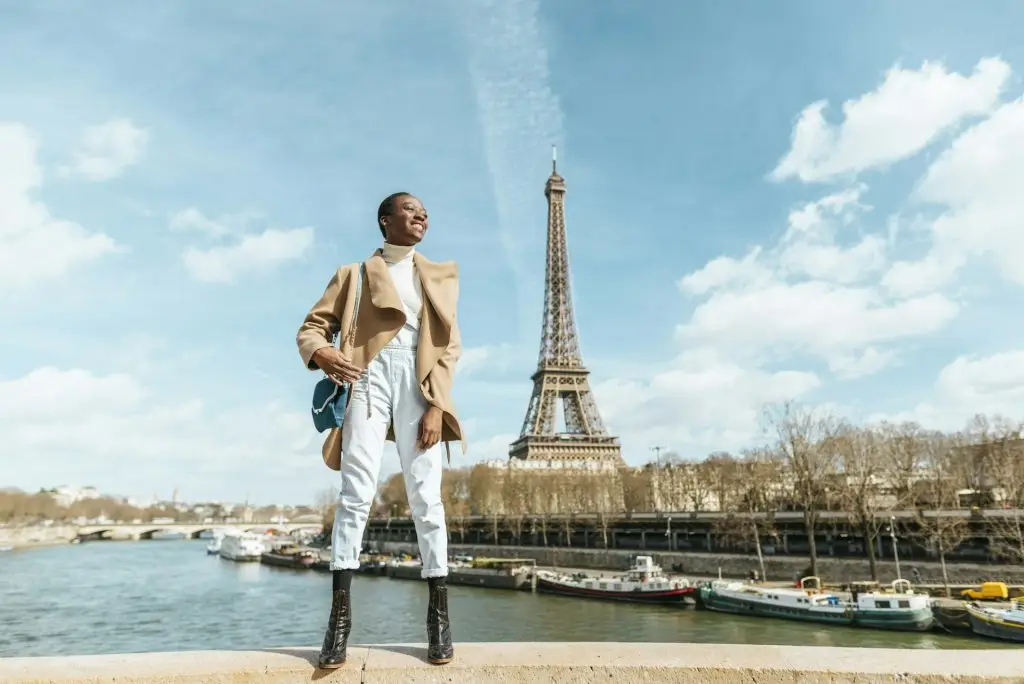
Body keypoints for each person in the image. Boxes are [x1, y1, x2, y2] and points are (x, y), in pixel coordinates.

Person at [296, 192, 464, 669]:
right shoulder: (352, 275)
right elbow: (311, 328)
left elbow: (449, 348)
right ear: (385, 220)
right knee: (355, 494)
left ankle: (438, 618)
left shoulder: (437, 277)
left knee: (426, 498)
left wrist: (437, 404)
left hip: (419, 382)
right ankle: (339, 621)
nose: (421, 215)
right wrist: (323, 353)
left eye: (424, 211)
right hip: (366, 377)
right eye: (410, 209)